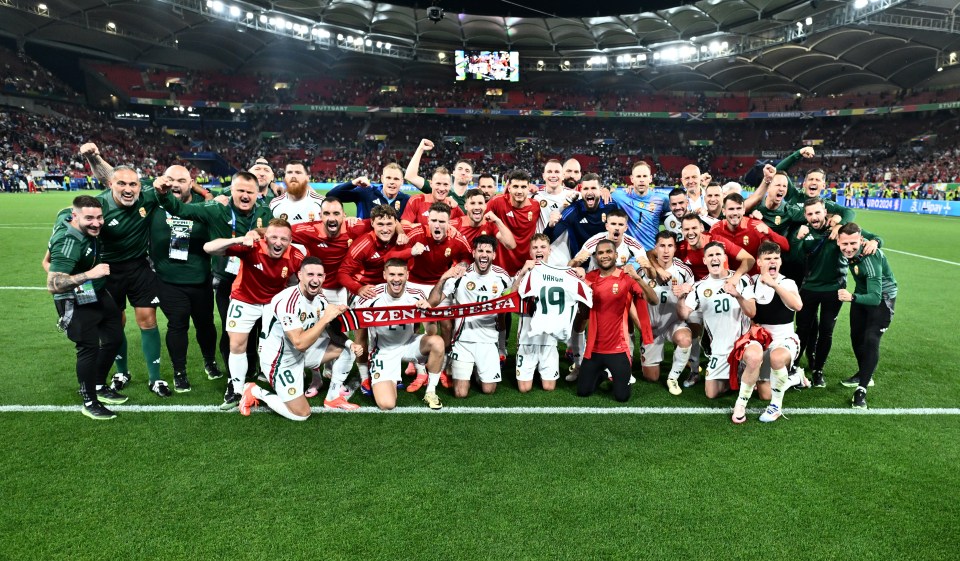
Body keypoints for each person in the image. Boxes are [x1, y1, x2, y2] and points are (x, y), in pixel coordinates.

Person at [155, 171, 274, 400]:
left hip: (258, 281)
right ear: (231, 191)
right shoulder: (215, 209)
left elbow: (279, 232)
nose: (245, 195)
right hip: (227, 282)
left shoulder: (264, 212)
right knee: (233, 332)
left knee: (259, 330)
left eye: (250, 192)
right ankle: (233, 379)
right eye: (240, 190)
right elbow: (181, 210)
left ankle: (252, 370)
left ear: (257, 193)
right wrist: (163, 195)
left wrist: (257, 231)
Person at [238, 257, 361, 421]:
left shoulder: (320, 297)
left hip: (302, 354)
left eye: (319, 275)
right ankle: (254, 391)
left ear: (324, 277)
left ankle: (333, 398)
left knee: (346, 349)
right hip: (280, 361)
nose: (315, 280)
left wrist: (350, 343)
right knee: (301, 415)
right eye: (310, 274)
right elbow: (299, 343)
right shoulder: (288, 301)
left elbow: (330, 328)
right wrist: (325, 318)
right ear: (300, 275)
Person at [203, 218, 305, 409]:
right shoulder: (251, 247)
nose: (278, 242)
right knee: (237, 343)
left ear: (291, 240)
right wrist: (238, 240)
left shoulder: (297, 256)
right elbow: (209, 248)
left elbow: (300, 279)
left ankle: (276, 380)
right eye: (273, 237)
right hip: (244, 299)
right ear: (265, 237)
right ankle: (236, 387)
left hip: (273, 303)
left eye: (284, 239)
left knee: (274, 345)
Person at [91, 160, 167, 397]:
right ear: (110, 184)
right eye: (122, 183)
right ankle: (121, 372)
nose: (128, 189)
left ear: (139, 185)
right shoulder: (99, 205)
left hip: (139, 267)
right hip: (108, 270)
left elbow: (175, 185)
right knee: (117, 323)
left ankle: (155, 378)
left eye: (133, 184)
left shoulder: (147, 197)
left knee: (148, 320)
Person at [47, 196, 126, 420]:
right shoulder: (69, 241)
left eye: (99, 217)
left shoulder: (66, 215)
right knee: (88, 347)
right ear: (75, 217)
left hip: (93, 290)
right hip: (72, 297)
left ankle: (99, 385)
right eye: (89, 218)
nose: (96, 223)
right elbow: (53, 285)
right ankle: (89, 400)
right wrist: (91, 274)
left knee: (114, 336)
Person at [792, 198, 881, 387]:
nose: (814, 217)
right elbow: (795, 257)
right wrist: (798, 239)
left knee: (826, 331)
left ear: (825, 211)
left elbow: (873, 237)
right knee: (802, 330)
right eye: (809, 214)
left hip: (834, 290)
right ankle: (794, 367)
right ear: (805, 216)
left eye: (817, 212)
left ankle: (818, 371)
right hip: (808, 289)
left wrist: (875, 241)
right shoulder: (802, 232)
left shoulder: (839, 230)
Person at [151, 166, 219, 393]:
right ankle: (180, 373)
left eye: (182, 180)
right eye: (171, 179)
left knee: (205, 325)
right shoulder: (153, 203)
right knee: (177, 325)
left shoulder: (205, 207)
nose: (176, 184)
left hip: (200, 279)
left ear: (192, 183)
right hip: (169, 280)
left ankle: (210, 362)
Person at [353, 259, 447, 410]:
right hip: (383, 351)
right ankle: (380, 378)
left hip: (408, 344)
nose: (396, 279)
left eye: (400, 274)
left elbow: (431, 332)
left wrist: (429, 315)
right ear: (384, 275)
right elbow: (360, 336)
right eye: (392, 274)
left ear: (407, 275)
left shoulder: (416, 294)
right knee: (386, 404)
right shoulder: (370, 297)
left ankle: (431, 391)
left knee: (437, 342)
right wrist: (364, 374)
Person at [428, 235, 512, 398]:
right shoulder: (460, 275)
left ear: (494, 255)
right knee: (460, 393)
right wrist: (444, 277)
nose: (484, 254)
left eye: (488, 251)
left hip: (488, 341)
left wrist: (501, 345)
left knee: (489, 390)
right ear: (473, 252)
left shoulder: (503, 277)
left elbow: (508, 305)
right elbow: (433, 301)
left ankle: (477, 370)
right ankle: (466, 366)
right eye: (480, 250)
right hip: (463, 341)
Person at [576, 239, 656, 402]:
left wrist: (638, 279)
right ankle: (603, 373)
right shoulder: (589, 278)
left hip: (618, 349)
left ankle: (612, 374)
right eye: (600, 253)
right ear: (596, 257)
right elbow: (584, 314)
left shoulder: (626, 278)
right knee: (583, 392)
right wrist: (584, 299)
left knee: (622, 397)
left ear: (616, 255)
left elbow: (653, 300)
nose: (604, 256)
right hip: (594, 350)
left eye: (608, 252)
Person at [732, 241, 804, 424]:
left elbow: (797, 305)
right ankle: (741, 403)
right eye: (768, 258)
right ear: (759, 262)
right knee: (763, 390)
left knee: (777, 359)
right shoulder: (752, 283)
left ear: (780, 262)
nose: (773, 261)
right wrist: (739, 296)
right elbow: (751, 313)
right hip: (761, 337)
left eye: (776, 258)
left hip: (785, 338)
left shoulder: (787, 282)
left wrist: (774, 285)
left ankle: (776, 406)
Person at [513, 234, 592, 393]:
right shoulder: (524, 272)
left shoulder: (563, 273)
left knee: (549, 387)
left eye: (543, 247)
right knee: (524, 388)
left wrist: (581, 274)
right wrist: (522, 273)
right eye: (535, 248)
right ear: (530, 252)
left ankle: (541, 369)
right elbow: (509, 297)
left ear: (550, 250)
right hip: (527, 338)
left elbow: (585, 289)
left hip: (550, 339)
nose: (539, 250)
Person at [678, 241, 753, 399]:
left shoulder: (742, 280)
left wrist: (737, 296)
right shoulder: (700, 287)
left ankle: (744, 375)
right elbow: (684, 315)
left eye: (718, 254)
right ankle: (736, 379)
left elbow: (752, 312)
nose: (714, 258)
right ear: (705, 260)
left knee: (763, 392)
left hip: (742, 347)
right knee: (711, 394)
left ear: (724, 258)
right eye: (710, 255)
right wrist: (680, 297)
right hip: (719, 350)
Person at [836, 223, 897, 409]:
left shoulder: (870, 259)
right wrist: (877, 239)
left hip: (881, 299)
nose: (849, 248)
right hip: (862, 295)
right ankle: (864, 373)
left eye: (853, 243)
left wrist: (852, 296)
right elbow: (873, 234)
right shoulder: (853, 242)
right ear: (838, 241)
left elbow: (875, 297)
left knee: (871, 338)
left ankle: (862, 389)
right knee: (856, 337)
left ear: (861, 239)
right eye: (844, 244)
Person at [637, 231, 694, 394]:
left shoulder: (684, 271)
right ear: (655, 248)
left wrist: (686, 291)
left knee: (684, 339)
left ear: (675, 249)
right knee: (651, 377)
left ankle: (673, 378)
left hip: (673, 323)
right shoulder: (644, 272)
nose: (666, 251)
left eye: (670, 246)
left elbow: (692, 301)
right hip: (652, 328)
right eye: (662, 246)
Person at [709, 192, 791, 273]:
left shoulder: (755, 225)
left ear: (744, 210)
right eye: (731, 209)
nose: (735, 213)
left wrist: (769, 232)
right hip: (727, 278)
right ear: (724, 211)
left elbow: (786, 246)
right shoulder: (715, 230)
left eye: (738, 208)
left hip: (752, 279)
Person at [611, 161, 669, 250]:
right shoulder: (620, 196)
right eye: (638, 176)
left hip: (652, 253)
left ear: (650, 178)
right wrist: (605, 190)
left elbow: (679, 209)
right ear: (632, 179)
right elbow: (602, 193)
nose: (641, 179)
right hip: (629, 255)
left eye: (645, 176)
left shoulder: (662, 199)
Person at [570, 209, 650, 272]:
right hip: (595, 279)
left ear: (626, 228)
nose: (617, 228)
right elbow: (570, 267)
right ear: (607, 226)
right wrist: (577, 261)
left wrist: (648, 267)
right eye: (613, 224)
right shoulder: (595, 241)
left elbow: (651, 276)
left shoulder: (632, 244)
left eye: (621, 225)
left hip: (618, 282)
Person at [326, 163, 410, 219]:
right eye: (388, 178)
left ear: (402, 182)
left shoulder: (407, 200)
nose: (392, 182)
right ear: (382, 179)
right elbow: (331, 195)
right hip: (365, 243)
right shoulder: (366, 192)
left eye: (396, 179)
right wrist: (353, 183)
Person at [451, 188, 517, 250]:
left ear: (485, 206)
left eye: (480, 203)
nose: (477, 207)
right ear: (466, 206)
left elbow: (511, 245)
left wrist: (498, 221)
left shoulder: (491, 224)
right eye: (472, 203)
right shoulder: (455, 225)